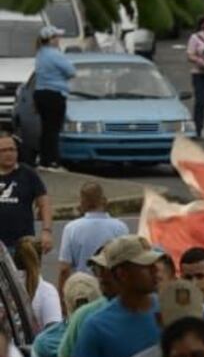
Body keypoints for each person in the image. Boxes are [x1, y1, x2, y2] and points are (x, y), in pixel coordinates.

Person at [56, 181, 128, 290]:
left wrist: (61, 300)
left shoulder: (71, 228)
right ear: (104, 200)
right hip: (113, 290)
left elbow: (64, 269)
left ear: (82, 202)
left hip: (82, 289)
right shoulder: (121, 227)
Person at [0, 133, 51, 257]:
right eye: (4, 150)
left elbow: (44, 204)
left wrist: (46, 231)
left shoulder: (28, 174)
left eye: (12, 150)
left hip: (24, 245)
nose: (9, 154)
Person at [32, 30, 75, 169]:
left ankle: (44, 160)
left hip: (41, 93)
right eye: (56, 37)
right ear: (50, 40)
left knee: (46, 128)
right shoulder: (54, 54)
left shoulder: (40, 53)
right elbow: (71, 71)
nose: (59, 39)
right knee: (54, 129)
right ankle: (53, 161)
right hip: (54, 94)